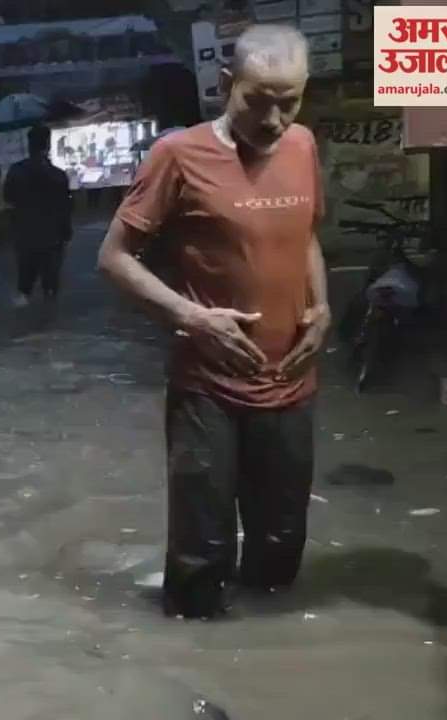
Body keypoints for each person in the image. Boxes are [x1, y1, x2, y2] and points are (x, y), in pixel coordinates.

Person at [97, 25, 330, 619]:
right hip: (209, 390)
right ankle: (196, 664)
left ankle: (268, 668)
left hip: (291, 386)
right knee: (202, 555)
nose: (275, 119)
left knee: (281, 546)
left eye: (290, 102)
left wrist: (322, 308)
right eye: (259, 100)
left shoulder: (303, 146)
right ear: (226, 85)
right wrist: (191, 316)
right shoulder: (178, 155)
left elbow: (306, 238)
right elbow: (114, 257)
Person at [5, 125, 73, 307]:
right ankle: (49, 319)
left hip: (25, 233)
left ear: (29, 145)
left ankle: (24, 316)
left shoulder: (16, 171)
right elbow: (66, 207)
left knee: (25, 280)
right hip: (53, 236)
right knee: (51, 283)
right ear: (48, 145)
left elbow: (8, 199)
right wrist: (66, 232)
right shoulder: (58, 175)